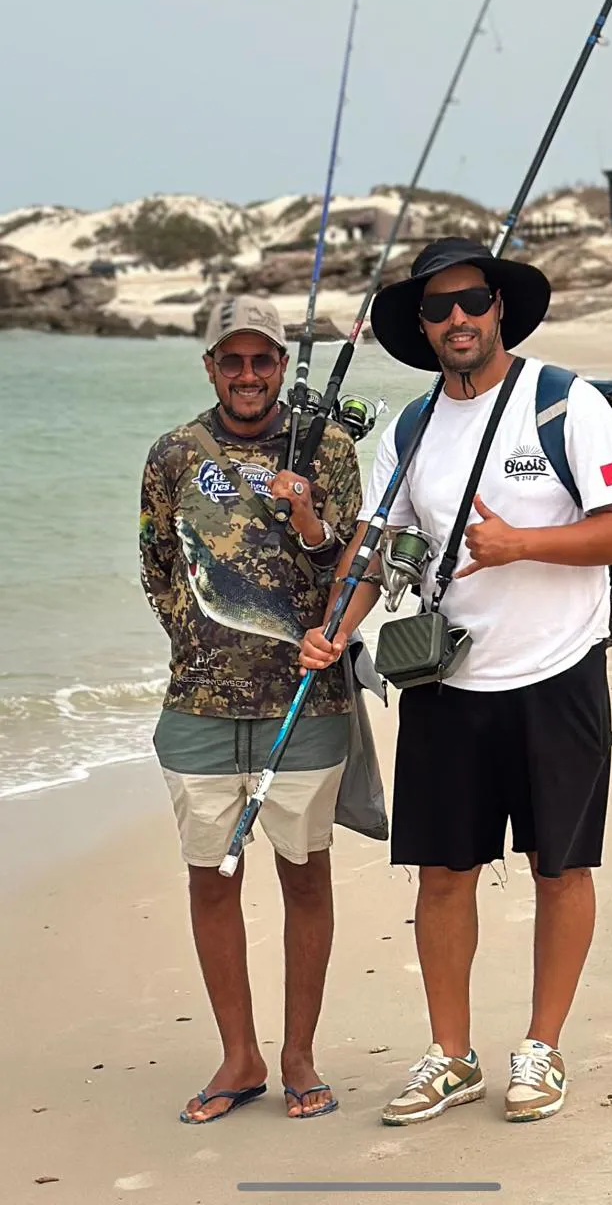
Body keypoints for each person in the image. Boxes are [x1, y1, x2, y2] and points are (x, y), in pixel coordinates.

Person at [299, 237, 612, 1127]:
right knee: (441, 871)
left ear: (501, 308)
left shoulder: (564, 404)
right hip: (446, 680)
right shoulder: (414, 428)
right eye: (438, 308)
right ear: (420, 328)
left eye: (472, 301)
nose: (458, 318)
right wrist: (334, 628)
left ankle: (541, 1048)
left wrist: (523, 544)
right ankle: (450, 1057)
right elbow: (376, 546)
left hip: (557, 673)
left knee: (560, 867)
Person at [139, 295, 362, 1123]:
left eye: (262, 359)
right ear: (209, 368)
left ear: (280, 363)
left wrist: (306, 514)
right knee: (210, 876)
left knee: (305, 875)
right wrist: (204, 648)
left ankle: (299, 1055)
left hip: (307, 702)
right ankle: (240, 1055)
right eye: (231, 360)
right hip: (197, 703)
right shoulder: (173, 453)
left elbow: (353, 567)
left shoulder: (329, 447)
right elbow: (159, 564)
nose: (247, 374)